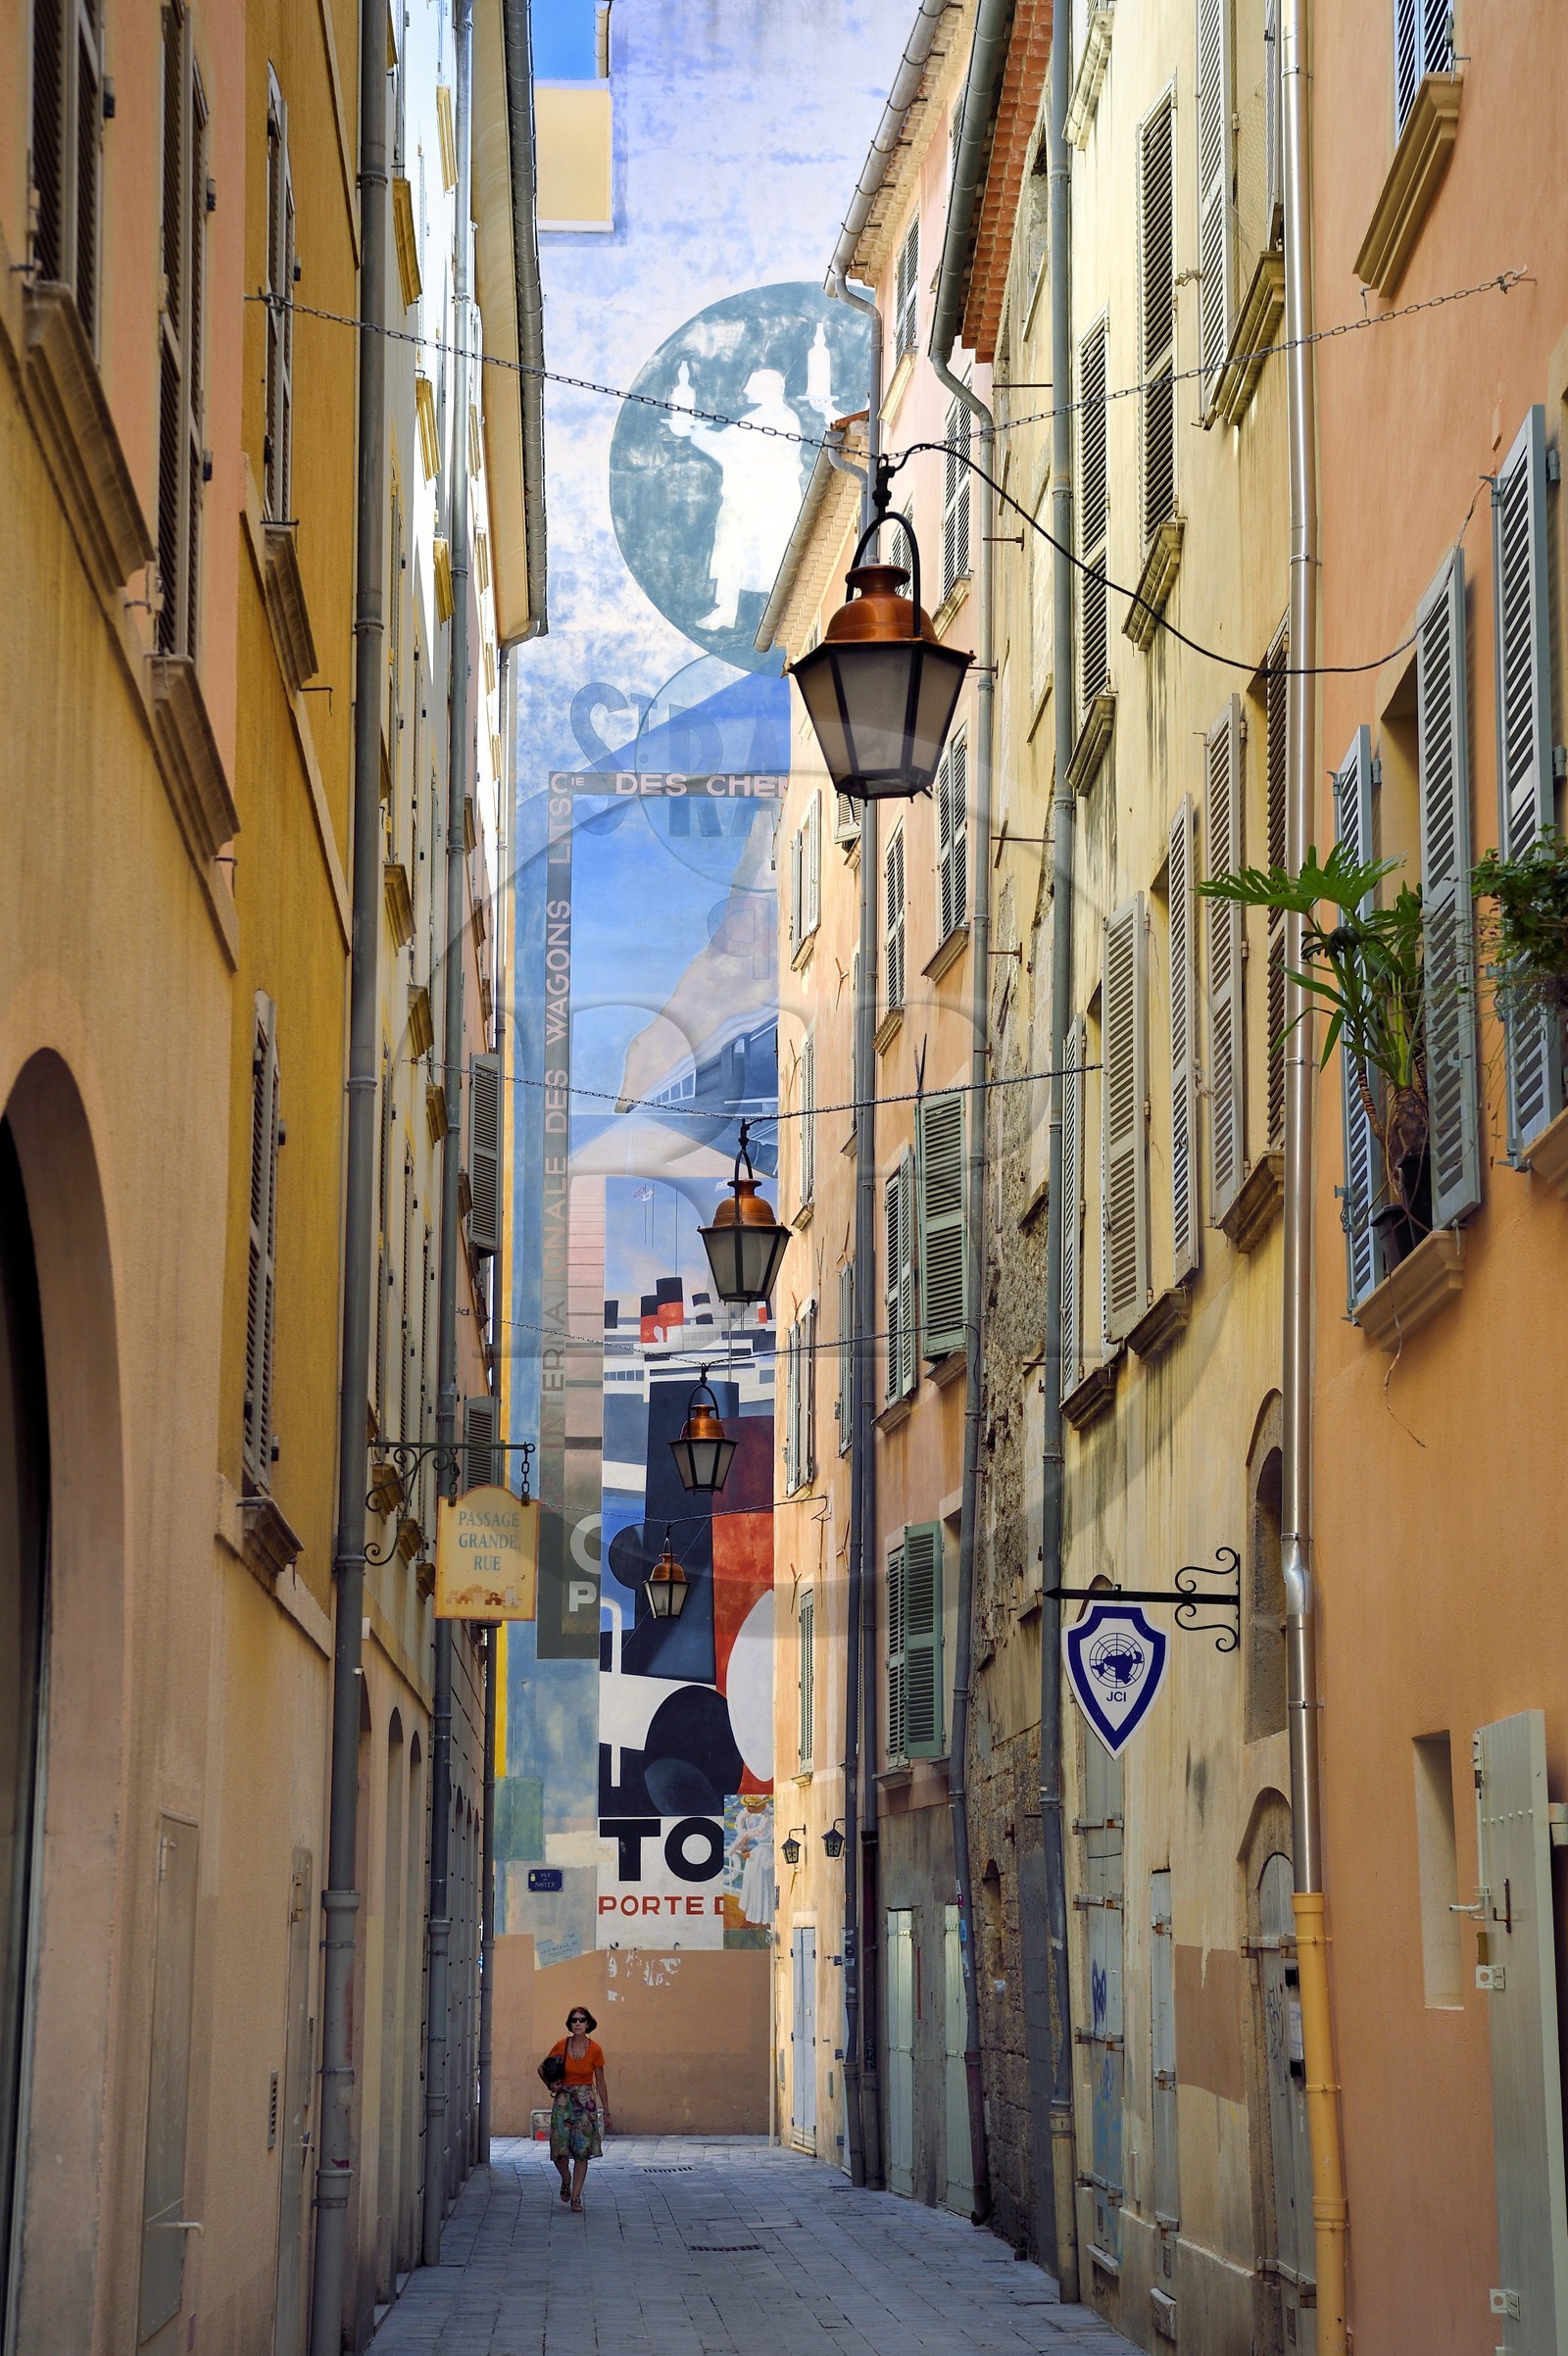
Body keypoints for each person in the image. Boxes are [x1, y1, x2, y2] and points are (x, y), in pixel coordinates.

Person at [539, 2007, 612, 2211]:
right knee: (558, 2148)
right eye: (574, 2020)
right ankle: (566, 2177)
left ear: (588, 2024)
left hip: (585, 2102)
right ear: (570, 2024)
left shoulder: (595, 2049)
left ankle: (576, 2197)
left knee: (582, 2150)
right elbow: (541, 2068)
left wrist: (606, 2111)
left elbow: (601, 2081)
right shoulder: (561, 2045)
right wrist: (550, 2084)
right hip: (564, 2100)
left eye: (581, 2020)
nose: (578, 2023)